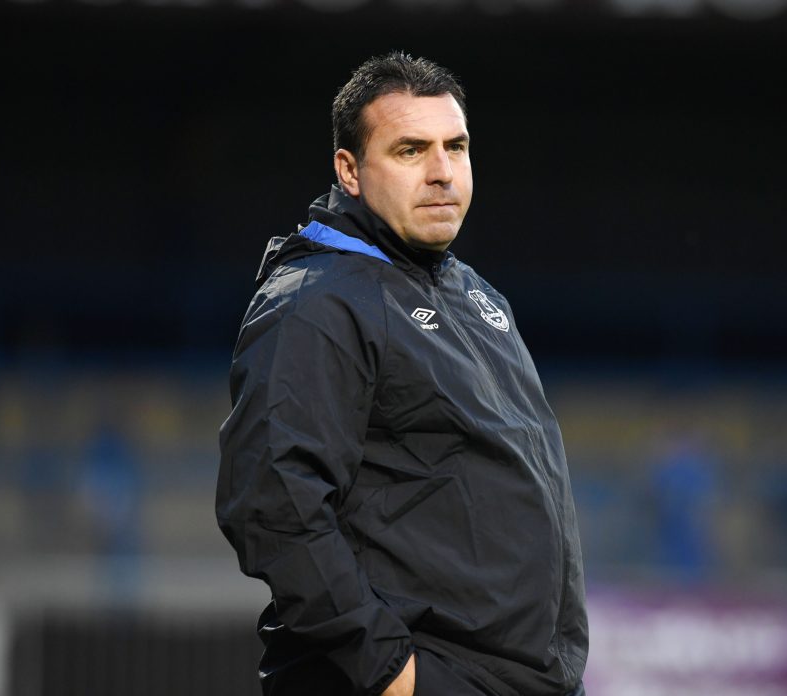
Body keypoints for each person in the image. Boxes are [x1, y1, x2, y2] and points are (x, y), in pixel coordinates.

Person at [216, 52, 588, 696]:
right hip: (416, 676)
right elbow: (274, 507)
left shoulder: (474, 293)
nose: (442, 172)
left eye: (456, 147)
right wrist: (390, 670)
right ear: (350, 171)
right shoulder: (317, 302)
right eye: (411, 150)